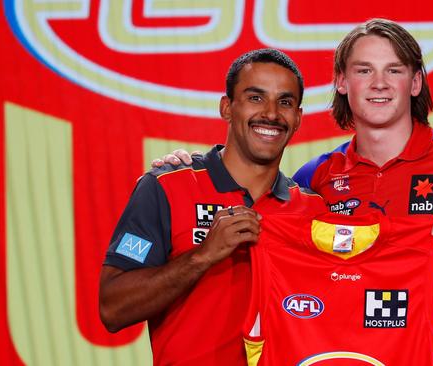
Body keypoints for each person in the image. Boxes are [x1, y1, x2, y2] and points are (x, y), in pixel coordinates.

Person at [154, 18, 433, 366]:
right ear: (342, 82)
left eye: (395, 70)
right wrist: (194, 170)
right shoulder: (317, 176)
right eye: (364, 70)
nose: (379, 83)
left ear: (416, 81)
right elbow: (255, 204)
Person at [99, 49, 325, 365]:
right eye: (255, 98)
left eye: (284, 102)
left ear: (298, 117)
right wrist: (203, 255)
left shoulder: (313, 210)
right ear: (227, 107)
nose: (271, 114)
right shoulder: (167, 187)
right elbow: (113, 309)